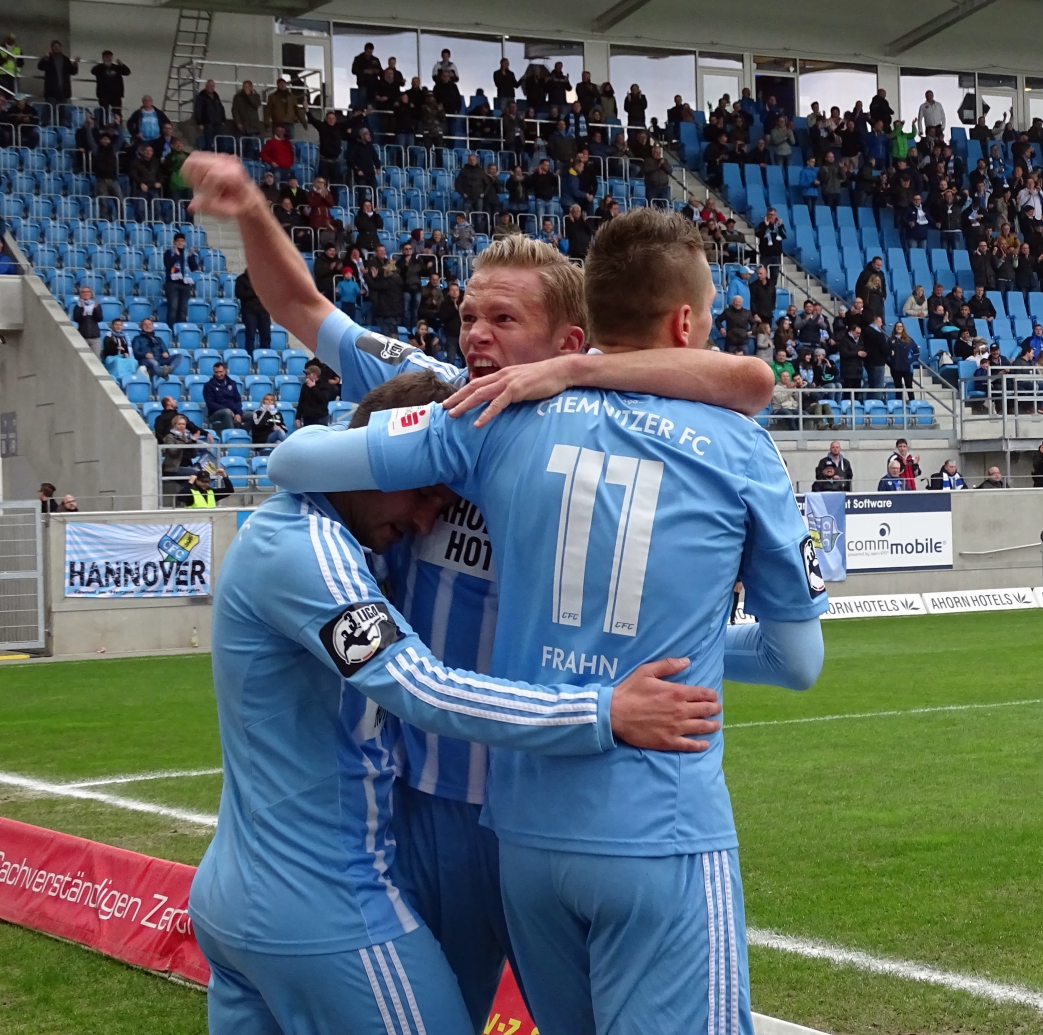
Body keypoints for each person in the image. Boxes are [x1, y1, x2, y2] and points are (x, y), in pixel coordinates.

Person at [184, 151, 779, 1030]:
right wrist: (249, 210)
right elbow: (306, 311)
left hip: (545, 797)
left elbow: (747, 381)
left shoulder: (584, 432)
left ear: (571, 341)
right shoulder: (441, 409)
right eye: (469, 313)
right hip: (426, 800)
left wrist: (696, 667)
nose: (475, 336)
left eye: (503, 318)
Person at [191, 371, 732, 1035]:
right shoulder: (308, 547)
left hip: (237, 894)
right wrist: (603, 711)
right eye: (422, 492)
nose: (424, 519)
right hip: (322, 903)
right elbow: (417, 685)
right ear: (375, 454)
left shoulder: (310, 537)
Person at [163, 232, 200, 327]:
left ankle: (181, 329)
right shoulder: (169, 252)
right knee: (173, 308)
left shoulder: (187, 254)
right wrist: (176, 255)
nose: (180, 243)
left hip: (185, 284)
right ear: (174, 242)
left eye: (182, 241)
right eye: (178, 241)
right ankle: (171, 329)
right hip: (172, 284)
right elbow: (168, 265)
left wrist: (191, 257)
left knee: (183, 309)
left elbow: (194, 268)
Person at [203, 361, 244, 434]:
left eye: (220, 372)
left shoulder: (232, 383)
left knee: (253, 415)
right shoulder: (208, 386)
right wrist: (230, 410)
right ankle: (232, 435)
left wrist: (238, 413)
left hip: (233, 411)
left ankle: (250, 439)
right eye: (216, 372)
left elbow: (238, 400)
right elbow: (211, 404)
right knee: (227, 412)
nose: (219, 374)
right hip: (215, 413)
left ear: (225, 371)